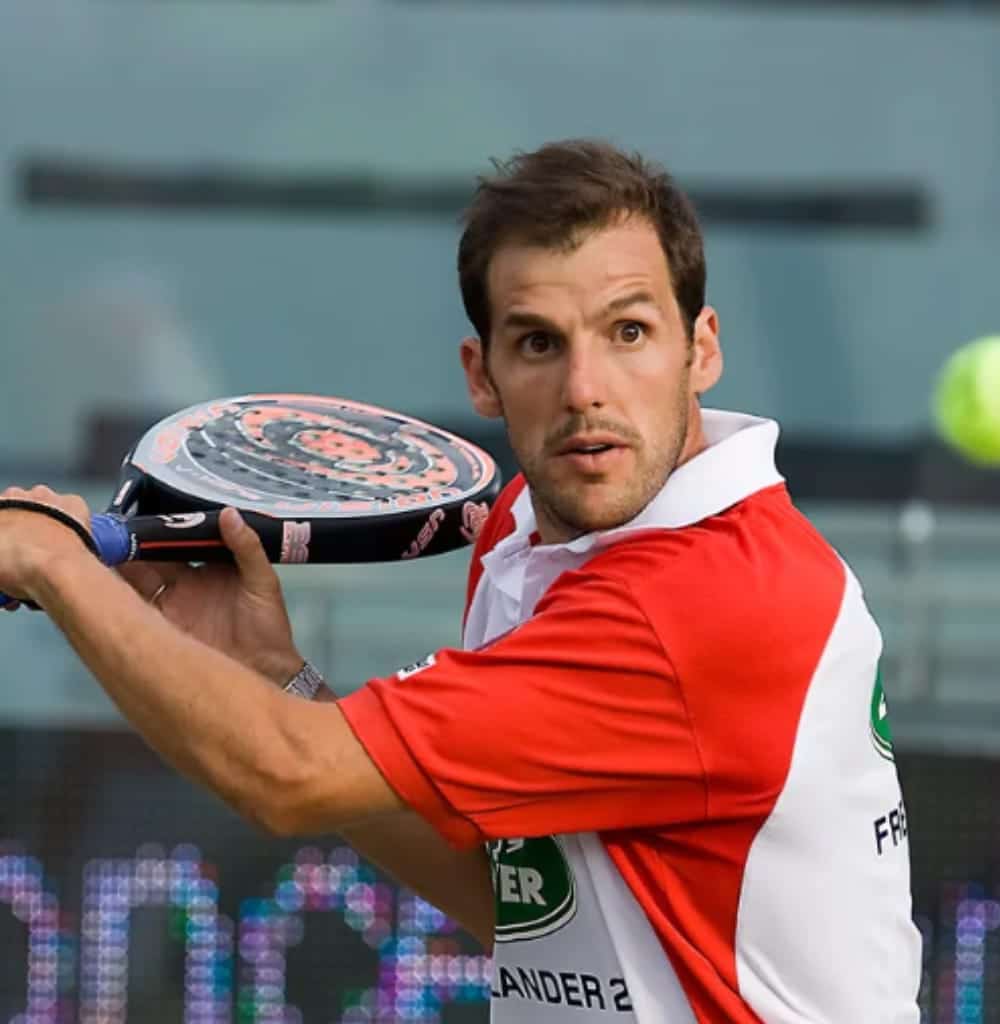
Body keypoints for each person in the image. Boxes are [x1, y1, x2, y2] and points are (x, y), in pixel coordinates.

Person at [0, 139, 922, 1022]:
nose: (585, 388)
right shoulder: (531, 535)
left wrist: (51, 563)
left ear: (702, 348)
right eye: (538, 344)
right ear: (481, 376)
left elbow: (284, 776)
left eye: (629, 331)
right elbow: (522, 911)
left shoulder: (699, 607)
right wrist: (275, 674)